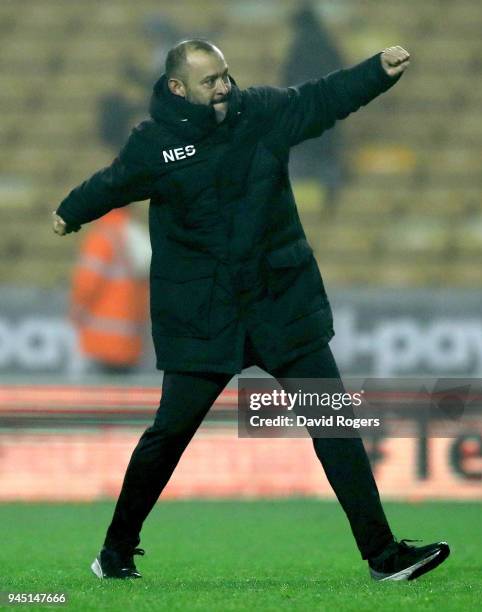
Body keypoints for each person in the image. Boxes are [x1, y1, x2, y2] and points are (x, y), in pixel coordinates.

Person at [52, 39, 450, 582]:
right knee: (168, 438)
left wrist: (375, 73)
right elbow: (113, 183)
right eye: (210, 80)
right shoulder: (154, 144)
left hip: (279, 306)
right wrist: (69, 212)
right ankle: (115, 552)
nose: (224, 86)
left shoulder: (259, 112)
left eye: (225, 75)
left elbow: (321, 99)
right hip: (206, 319)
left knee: (334, 425)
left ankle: (385, 557)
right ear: (177, 88)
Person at [69, 207, 151, 375]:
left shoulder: (102, 237)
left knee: (98, 397)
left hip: (100, 342)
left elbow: (87, 283)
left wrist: (76, 308)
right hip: (131, 341)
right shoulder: (135, 236)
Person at [282, 2, 345, 215]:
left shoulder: (300, 45)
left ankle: (314, 203)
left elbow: (289, 78)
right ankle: (329, 201)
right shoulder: (327, 43)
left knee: (306, 153)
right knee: (325, 152)